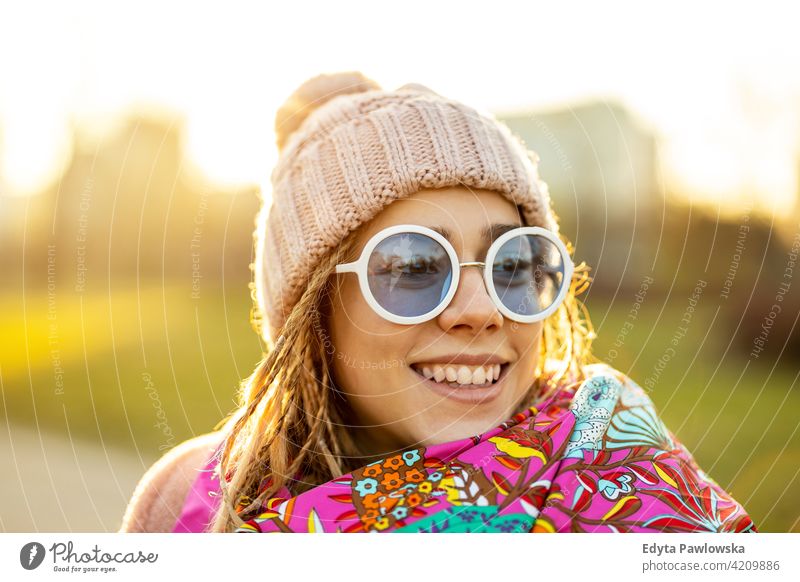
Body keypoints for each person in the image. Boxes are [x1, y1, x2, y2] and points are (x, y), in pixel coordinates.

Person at [120, 71, 757, 533]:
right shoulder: (196, 506)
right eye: (417, 265)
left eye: (514, 263)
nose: (481, 309)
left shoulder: (614, 451)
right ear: (313, 311)